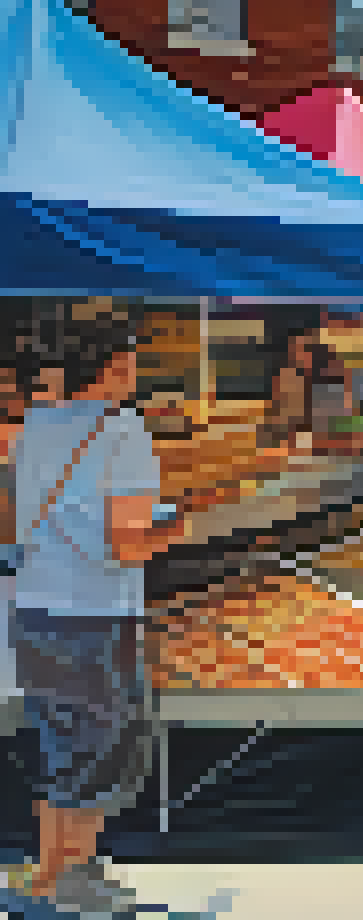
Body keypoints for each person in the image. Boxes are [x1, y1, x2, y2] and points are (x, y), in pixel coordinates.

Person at [7, 321, 187, 913]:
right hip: (96, 611)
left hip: (36, 604)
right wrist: (175, 526)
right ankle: (73, 878)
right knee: (103, 749)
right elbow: (124, 545)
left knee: (60, 742)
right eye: (130, 360)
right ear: (114, 366)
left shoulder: (34, 425)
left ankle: (50, 874)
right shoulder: (124, 429)